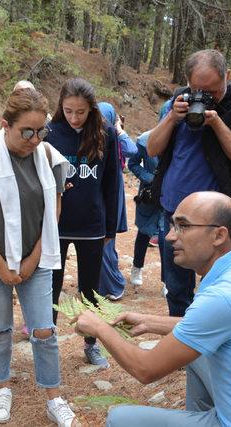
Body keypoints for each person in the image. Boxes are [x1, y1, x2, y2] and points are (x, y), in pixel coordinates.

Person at [74, 191, 231, 426]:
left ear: (219, 235)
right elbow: (219, 326)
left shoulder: (222, 297)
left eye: (183, 226)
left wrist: (99, 328)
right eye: (172, 225)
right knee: (197, 356)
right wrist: (150, 322)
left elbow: (145, 369)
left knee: (119, 419)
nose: (169, 236)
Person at [0, 87, 77, 426]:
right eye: (27, 131)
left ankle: (53, 395)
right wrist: (1, 264)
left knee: (44, 330)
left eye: (41, 130)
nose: (35, 139)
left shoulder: (50, 157)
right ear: (5, 125)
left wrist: (32, 259)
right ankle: (2, 386)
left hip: (37, 260)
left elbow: (52, 214)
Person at [148, 49, 231, 316]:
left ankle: (213, 344)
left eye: (214, 90)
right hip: (175, 209)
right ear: (188, 83)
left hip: (217, 217)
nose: (206, 97)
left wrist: (216, 122)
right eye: (198, 90)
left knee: (220, 287)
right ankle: (181, 346)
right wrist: (172, 117)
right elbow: (152, 149)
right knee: (176, 286)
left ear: (228, 77)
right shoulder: (177, 101)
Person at [45, 78, 119, 367]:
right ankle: (47, 341)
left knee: (90, 289)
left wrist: (110, 228)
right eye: (68, 111)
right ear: (60, 107)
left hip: (92, 224)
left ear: (92, 109)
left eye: (81, 112)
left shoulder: (105, 133)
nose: (74, 118)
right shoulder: (50, 132)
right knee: (51, 285)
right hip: (57, 224)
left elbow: (112, 182)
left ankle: (91, 343)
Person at [97, 102, 137, 301]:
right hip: (97, 189)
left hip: (112, 189)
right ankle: (98, 283)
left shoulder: (115, 137)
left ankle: (113, 285)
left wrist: (119, 130)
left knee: (106, 241)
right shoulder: (91, 137)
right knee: (97, 240)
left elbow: (132, 150)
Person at [127, 130, 164, 295]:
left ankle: (167, 280)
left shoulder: (183, 140)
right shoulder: (144, 141)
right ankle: (137, 267)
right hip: (149, 195)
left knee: (166, 238)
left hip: (171, 194)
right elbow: (133, 164)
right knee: (143, 233)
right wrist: (150, 178)